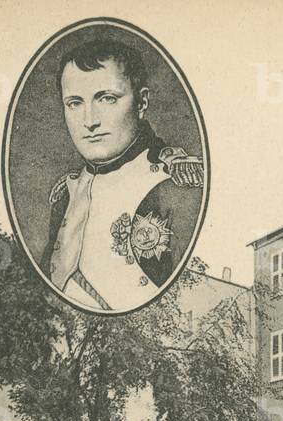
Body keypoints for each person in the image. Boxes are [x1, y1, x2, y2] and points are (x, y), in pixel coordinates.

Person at [40, 40, 204, 311]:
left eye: (107, 98)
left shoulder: (175, 185)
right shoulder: (67, 193)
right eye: (75, 103)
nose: (89, 121)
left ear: (142, 102)